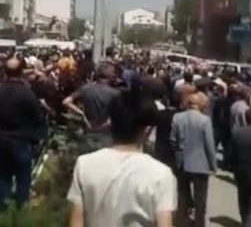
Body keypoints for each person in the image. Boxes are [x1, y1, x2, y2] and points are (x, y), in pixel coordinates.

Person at [67, 85, 176, 227]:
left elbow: (76, 222)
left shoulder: (84, 164)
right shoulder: (161, 174)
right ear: (147, 131)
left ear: (111, 124)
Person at [0, 55, 44, 207]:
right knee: (22, 184)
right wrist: (35, 140)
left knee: (0, 182)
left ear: (5, 72)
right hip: (21, 143)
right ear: (22, 72)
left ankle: (0, 213)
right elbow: (37, 119)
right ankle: (19, 213)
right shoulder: (28, 94)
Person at [170, 92, 217, 227]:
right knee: (200, 198)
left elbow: (172, 139)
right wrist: (213, 165)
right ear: (200, 104)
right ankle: (199, 223)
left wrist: (178, 153)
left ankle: (181, 221)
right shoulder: (205, 120)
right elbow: (209, 145)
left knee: (182, 195)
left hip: (182, 162)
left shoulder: (177, 117)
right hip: (201, 163)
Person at [62, 63, 120, 153]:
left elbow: (66, 102)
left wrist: (82, 114)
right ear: (110, 76)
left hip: (88, 131)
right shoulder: (115, 94)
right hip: (106, 134)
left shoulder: (86, 89)